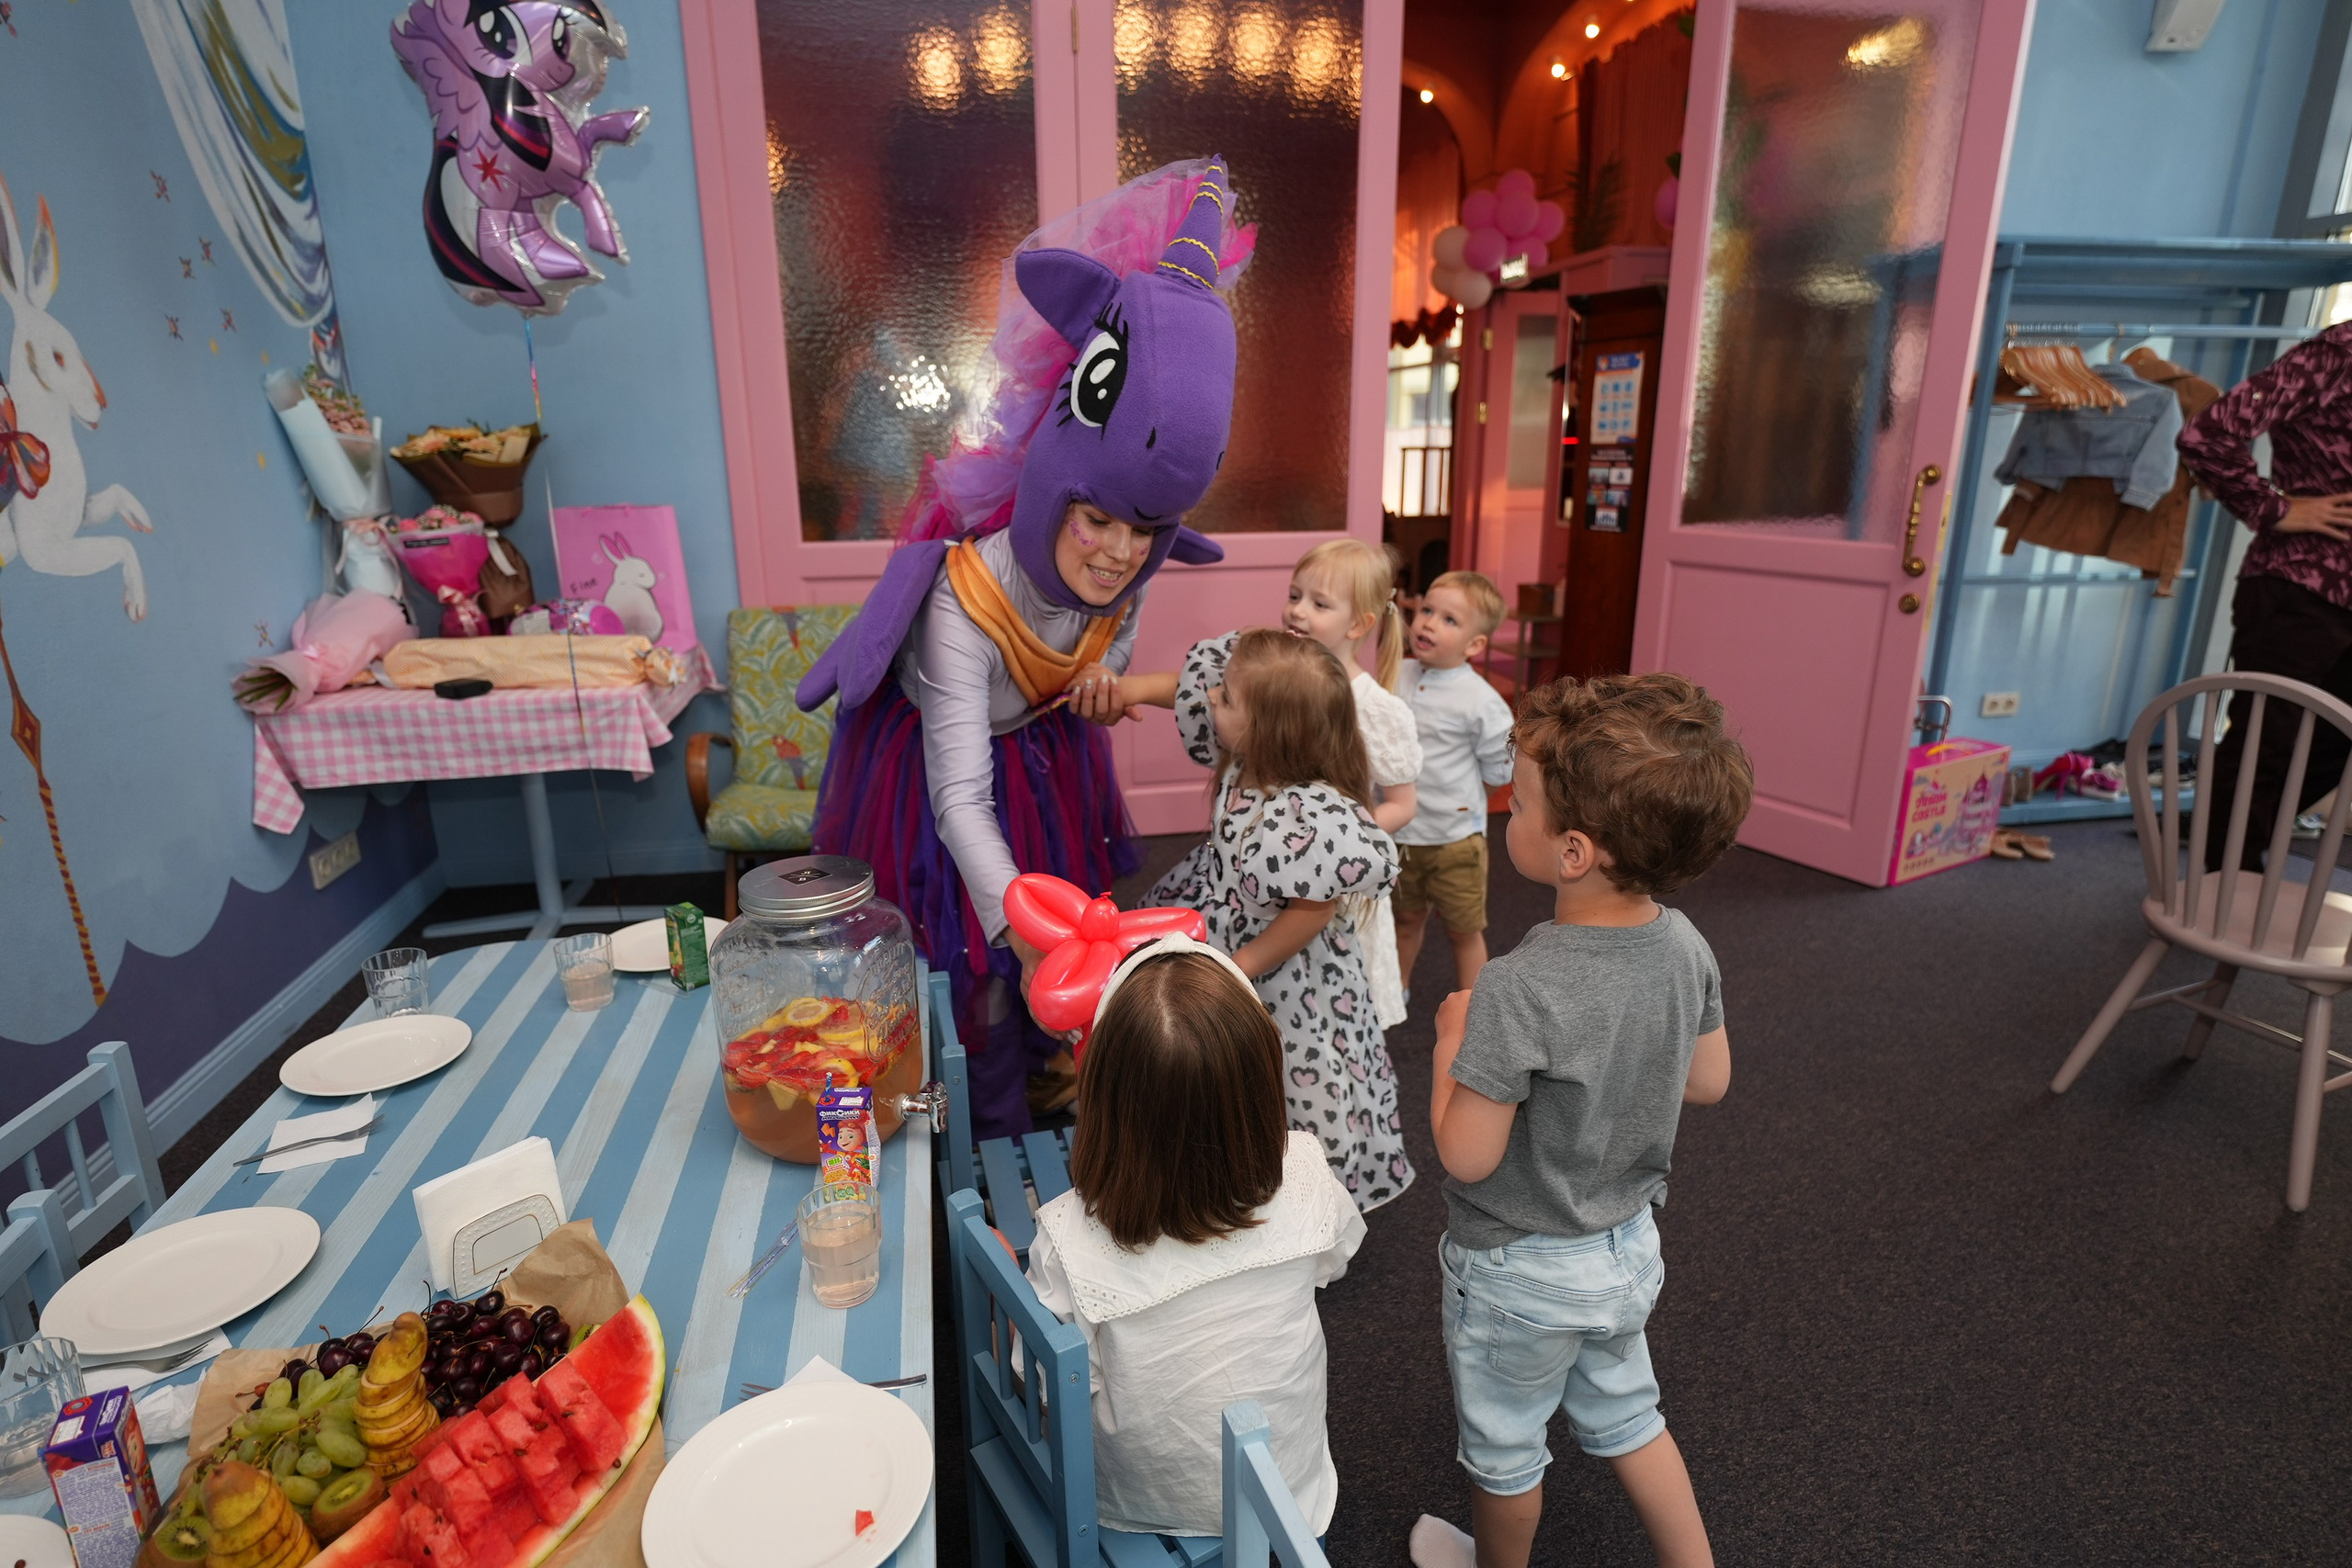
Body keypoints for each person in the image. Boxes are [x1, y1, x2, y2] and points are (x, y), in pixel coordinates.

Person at [795, 159, 1250, 1138]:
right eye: (1096, 522)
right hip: (937, 781)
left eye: (1145, 533)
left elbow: (1104, 642)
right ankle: (981, 1135)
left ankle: (1056, 1092)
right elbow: (960, 800)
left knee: (1066, 938)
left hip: (1042, 761)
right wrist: (1024, 932)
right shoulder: (962, 604)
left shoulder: (1130, 554)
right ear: (1057, 487)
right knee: (974, 968)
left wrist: (1097, 678)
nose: (1118, 555)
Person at [1411, 672, 1752, 1568]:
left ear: (1572, 851)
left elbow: (1468, 1154)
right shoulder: (1684, 944)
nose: (1501, 811)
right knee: (1631, 1416)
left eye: (1515, 802)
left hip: (1517, 1271)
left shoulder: (1518, 988)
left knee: (1506, 1450)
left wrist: (1451, 1042)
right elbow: (1709, 1080)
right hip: (1626, 1252)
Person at [1025, 938, 1364, 1543]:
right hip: (1289, 1482)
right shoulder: (1308, 1170)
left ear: (1103, 1098)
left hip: (1136, 1502)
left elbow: (1047, 1379)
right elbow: (1332, 1262)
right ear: (1260, 1089)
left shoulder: (1066, 1240)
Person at [1091, 537, 1422, 1027]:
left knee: (1308, 1014)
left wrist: (1329, 846)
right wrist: (1127, 690)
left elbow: (1403, 803)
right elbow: (1196, 691)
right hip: (1245, 887)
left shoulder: (1376, 710)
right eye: (1295, 595)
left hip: (1312, 888)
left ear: (1359, 624)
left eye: (1319, 602)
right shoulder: (1260, 668)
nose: (1298, 611)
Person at [1140, 629, 1412, 1210]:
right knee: (1226, 1074)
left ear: (1268, 729)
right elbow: (1217, 676)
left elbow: (1311, 914)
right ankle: (1236, 1186)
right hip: (1233, 935)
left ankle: (1308, 1211)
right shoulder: (1244, 759)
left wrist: (1239, 966)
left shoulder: (1304, 812)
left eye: (1228, 700)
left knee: (1295, 1088)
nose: (1212, 698)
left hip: (1286, 979)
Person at [2177, 332, 2352, 868]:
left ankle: (2230, 855)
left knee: (2329, 753)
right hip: (2300, 588)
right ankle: (2220, 889)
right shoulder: (2340, 351)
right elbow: (2208, 435)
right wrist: (2274, 508)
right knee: (2265, 749)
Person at [1392, 570, 1516, 996]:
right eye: (1427, 610)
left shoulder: (1481, 701)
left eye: (1449, 620)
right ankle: (1396, 992)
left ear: (1474, 644)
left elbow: (1502, 766)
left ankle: (1472, 1009)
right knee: (1404, 919)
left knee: (1463, 930)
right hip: (1402, 834)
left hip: (1455, 840)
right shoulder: (1398, 673)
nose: (1428, 623)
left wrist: (1470, 802)